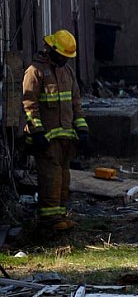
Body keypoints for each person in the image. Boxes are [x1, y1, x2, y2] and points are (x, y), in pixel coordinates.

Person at [22, 29, 88, 232]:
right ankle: (48, 223)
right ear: (51, 50)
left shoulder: (66, 72)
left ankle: (59, 216)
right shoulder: (35, 72)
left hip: (66, 139)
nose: (64, 60)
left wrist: (82, 129)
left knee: (63, 179)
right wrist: (36, 131)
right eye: (61, 56)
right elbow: (28, 104)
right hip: (46, 140)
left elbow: (76, 102)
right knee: (51, 179)